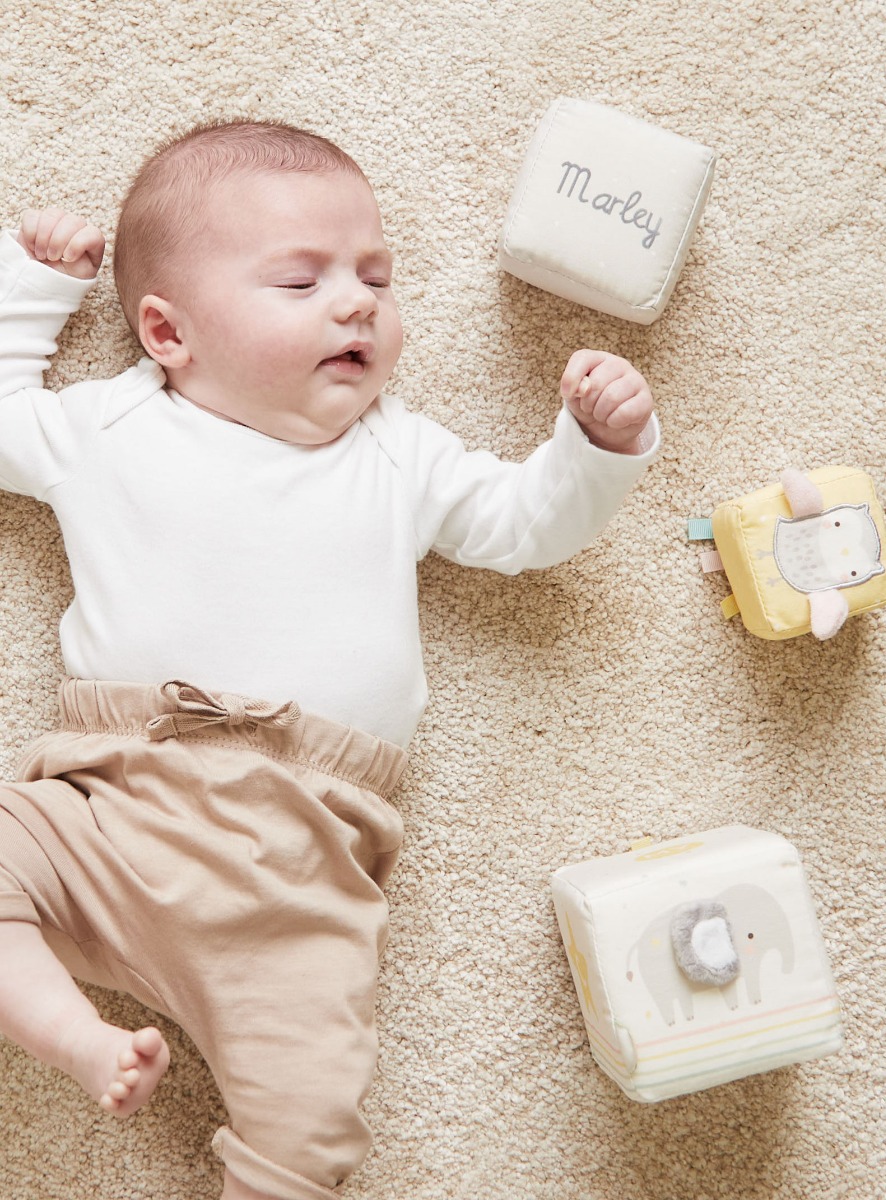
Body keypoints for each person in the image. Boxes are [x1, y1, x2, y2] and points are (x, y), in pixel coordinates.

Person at [0, 119, 658, 1200]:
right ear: (167, 332)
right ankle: (72, 1037)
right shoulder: (104, 427)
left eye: (376, 276)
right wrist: (33, 288)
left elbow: (520, 528)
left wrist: (593, 450)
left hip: (299, 873)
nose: (357, 303)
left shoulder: (401, 453)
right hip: (110, 807)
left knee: (313, 1141)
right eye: (300, 281)